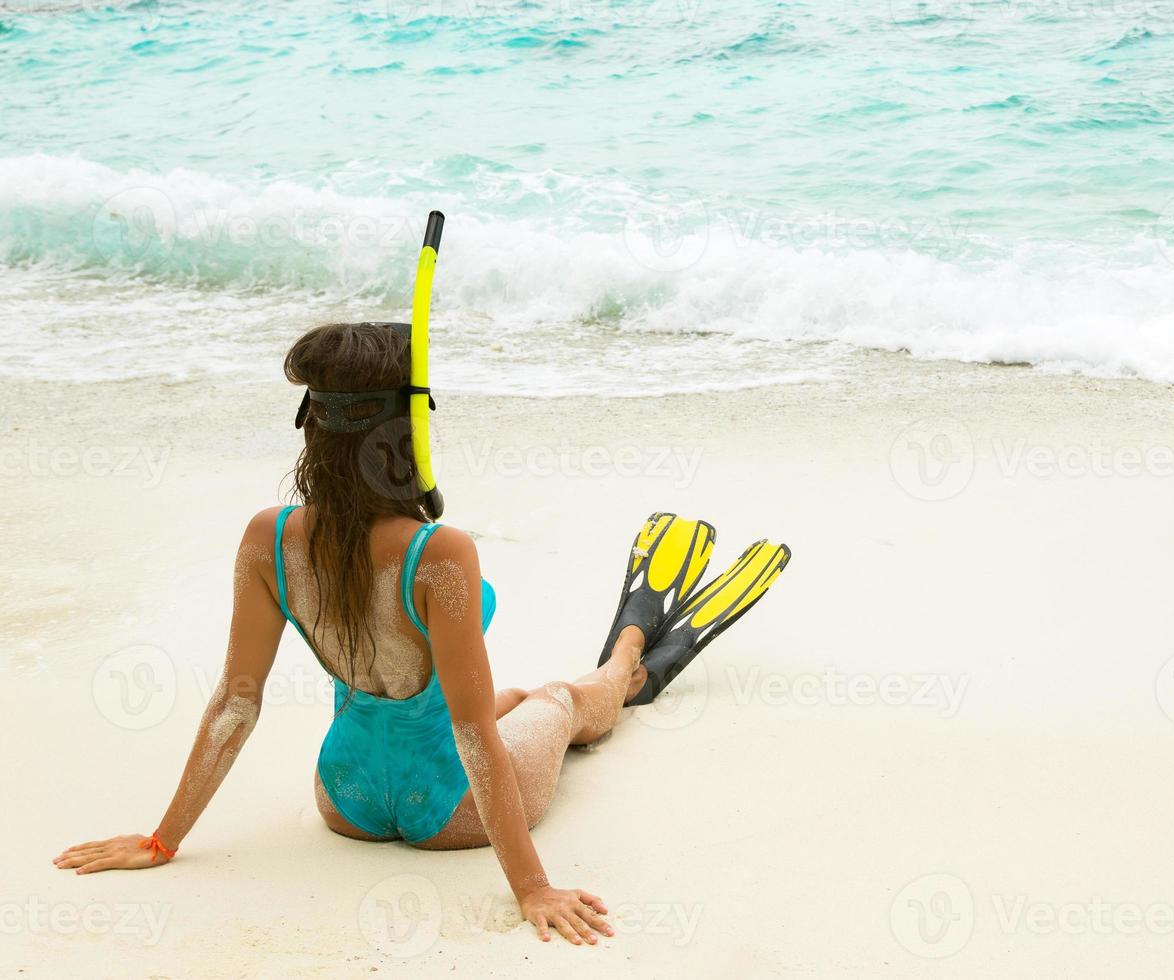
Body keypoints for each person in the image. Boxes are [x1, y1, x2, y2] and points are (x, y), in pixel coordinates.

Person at [51, 321, 790, 947]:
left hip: (344, 799)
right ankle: (632, 655)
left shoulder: (266, 539)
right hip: (447, 808)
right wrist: (531, 888)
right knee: (556, 699)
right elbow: (472, 736)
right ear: (407, 434)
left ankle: (621, 665)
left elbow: (235, 703)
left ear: (311, 426)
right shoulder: (438, 554)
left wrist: (161, 839)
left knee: (506, 696)